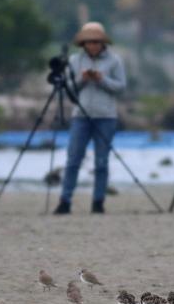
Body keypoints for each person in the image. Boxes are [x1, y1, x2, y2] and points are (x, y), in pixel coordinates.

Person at [53, 22, 127, 215]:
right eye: (88, 42)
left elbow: (120, 87)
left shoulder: (114, 61)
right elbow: (68, 87)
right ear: (83, 43)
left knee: (101, 162)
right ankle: (65, 200)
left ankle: (98, 201)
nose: (92, 45)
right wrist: (82, 79)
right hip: (80, 116)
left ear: (102, 42)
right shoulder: (75, 60)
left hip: (106, 116)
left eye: (96, 42)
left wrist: (101, 79)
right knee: (73, 160)